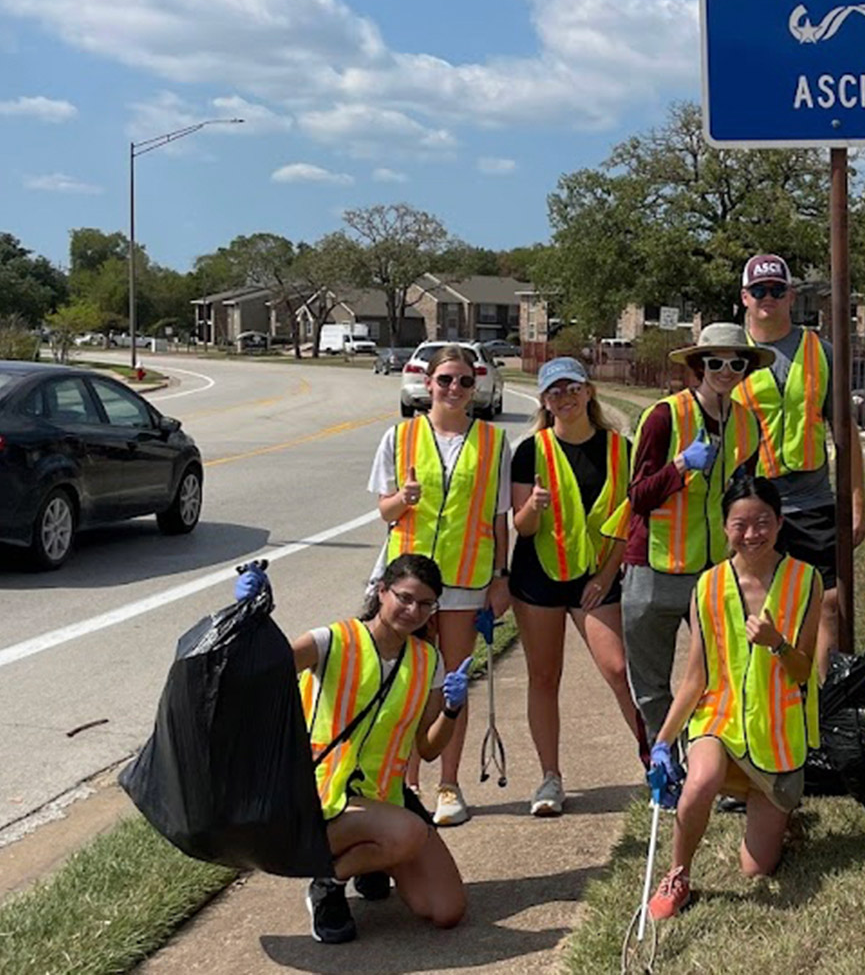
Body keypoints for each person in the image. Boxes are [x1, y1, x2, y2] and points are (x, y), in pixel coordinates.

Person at [644, 474, 823, 920]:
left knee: (756, 870)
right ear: (724, 527)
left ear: (780, 523)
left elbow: (805, 673)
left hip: (775, 738)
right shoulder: (706, 586)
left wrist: (778, 643)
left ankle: (781, 819)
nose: (751, 535)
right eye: (740, 525)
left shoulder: (806, 581)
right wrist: (663, 743)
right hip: (718, 721)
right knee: (700, 780)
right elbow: (694, 677)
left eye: (762, 522)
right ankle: (678, 876)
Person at [274, 554, 474, 944]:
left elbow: (428, 749)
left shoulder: (426, 659)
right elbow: (266, 668)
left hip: (383, 796)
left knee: (446, 909)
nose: (413, 610)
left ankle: (371, 858)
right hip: (321, 796)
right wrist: (252, 617)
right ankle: (329, 883)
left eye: (425, 604)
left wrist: (451, 710)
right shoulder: (331, 641)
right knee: (410, 833)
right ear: (382, 591)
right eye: (404, 597)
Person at [368, 344, 510, 826]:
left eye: (465, 381)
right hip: (407, 582)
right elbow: (384, 512)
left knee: (451, 685)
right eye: (445, 379)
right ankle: (404, 784)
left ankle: (449, 785)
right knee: (404, 681)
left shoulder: (493, 442)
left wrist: (500, 578)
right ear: (426, 383)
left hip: (466, 580)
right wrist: (402, 499)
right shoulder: (399, 436)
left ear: (477, 387)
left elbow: (499, 517)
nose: (454, 388)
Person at [620, 323, 767, 744]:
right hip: (655, 566)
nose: (725, 370)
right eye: (715, 362)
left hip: (716, 571)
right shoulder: (665, 416)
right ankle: (667, 765)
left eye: (736, 363)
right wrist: (682, 466)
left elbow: (746, 497)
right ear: (699, 365)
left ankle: (716, 761)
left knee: (722, 675)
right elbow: (639, 497)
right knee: (650, 686)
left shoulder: (747, 425)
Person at [508, 357, 642, 817]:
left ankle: (656, 763)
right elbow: (521, 528)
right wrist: (534, 509)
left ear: (588, 392)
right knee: (544, 678)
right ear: (544, 401)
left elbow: (628, 520)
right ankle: (550, 778)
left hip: (595, 578)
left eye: (571, 389)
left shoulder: (620, 449)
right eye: (554, 392)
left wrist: (606, 576)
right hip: (537, 577)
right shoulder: (530, 451)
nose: (564, 399)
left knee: (620, 670)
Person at [733, 253, 865, 660]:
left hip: (812, 501)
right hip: (753, 500)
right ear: (745, 297)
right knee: (756, 607)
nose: (767, 297)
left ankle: (822, 712)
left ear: (791, 296)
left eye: (776, 290)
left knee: (826, 604)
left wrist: (857, 501)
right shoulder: (731, 353)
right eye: (759, 291)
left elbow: (844, 432)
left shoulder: (819, 351)